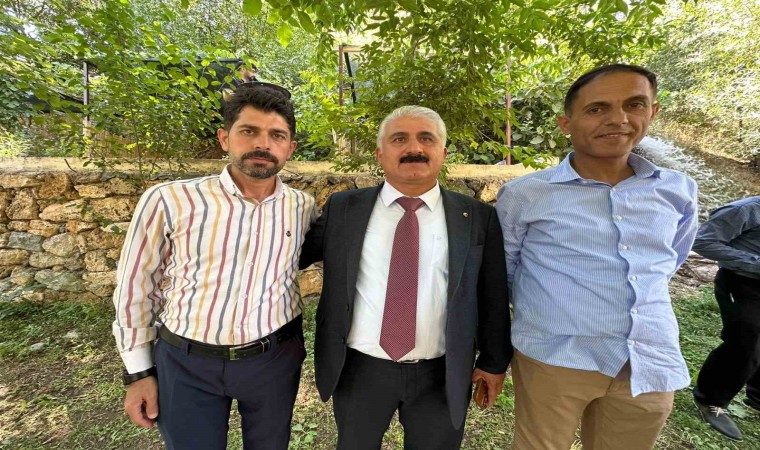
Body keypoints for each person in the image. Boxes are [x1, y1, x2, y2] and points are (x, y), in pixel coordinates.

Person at [495, 64, 699, 450]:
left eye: (634, 104)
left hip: (648, 357)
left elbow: (669, 260)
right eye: (596, 109)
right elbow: (505, 270)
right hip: (554, 356)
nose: (618, 119)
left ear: (653, 111)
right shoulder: (526, 195)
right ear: (566, 123)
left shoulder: (678, 191)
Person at [113, 83, 316, 450]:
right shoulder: (169, 200)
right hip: (186, 363)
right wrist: (138, 372)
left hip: (274, 360)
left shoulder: (302, 207)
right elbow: (135, 287)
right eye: (248, 131)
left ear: (290, 148)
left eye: (276, 135)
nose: (263, 144)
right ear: (225, 138)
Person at [300, 105, 512, 449]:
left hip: (442, 372)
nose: (414, 148)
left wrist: (494, 360)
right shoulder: (345, 208)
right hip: (359, 370)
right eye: (399, 139)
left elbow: (492, 293)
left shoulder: (476, 216)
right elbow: (289, 256)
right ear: (379, 153)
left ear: (443, 153)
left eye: (426, 139)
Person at [691, 195, 760, 441]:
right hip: (742, 283)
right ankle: (710, 400)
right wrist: (755, 263)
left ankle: (757, 397)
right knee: (744, 344)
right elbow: (702, 241)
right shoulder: (746, 210)